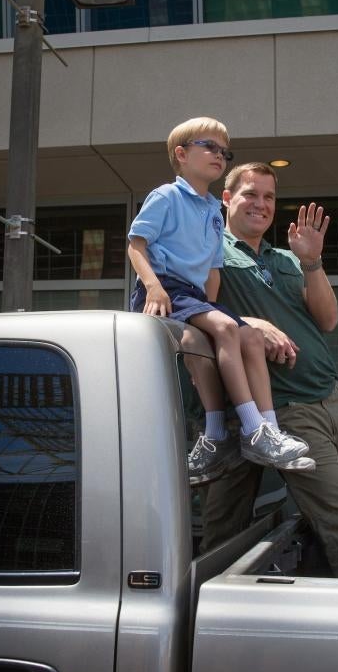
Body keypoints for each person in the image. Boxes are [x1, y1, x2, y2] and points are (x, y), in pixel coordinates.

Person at [200, 162, 338, 580]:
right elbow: (195, 311)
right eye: (251, 194)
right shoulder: (212, 249)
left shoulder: (289, 258)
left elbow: (327, 320)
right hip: (287, 411)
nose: (261, 204)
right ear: (227, 198)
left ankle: (327, 612)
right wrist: (248, 323)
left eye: (269, 197)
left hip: (333, 397)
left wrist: (312, 262)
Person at [127, 118, 314, 487]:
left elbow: (213, 271)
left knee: (249, 338)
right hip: (165, 290)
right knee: (228, 328)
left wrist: (209, 317)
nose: (219, 155)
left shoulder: (213, 209)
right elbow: (136, 245)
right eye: (208, 147)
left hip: (193, 297)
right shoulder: (166, 196)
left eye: (224, 151)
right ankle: (243, 430)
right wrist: (153, 288)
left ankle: (269, 431)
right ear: (181, 155)